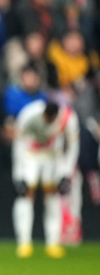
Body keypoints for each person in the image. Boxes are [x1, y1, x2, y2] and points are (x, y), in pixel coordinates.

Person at [12, 100, 79, 259]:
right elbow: (19, 143)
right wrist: (18, 174)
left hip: (52, 157)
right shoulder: (29, 114)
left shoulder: (68, 118)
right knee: (26, 194)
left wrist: (66, 173)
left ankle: (53, 242)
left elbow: (73, 146)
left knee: (53, 196)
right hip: (31, 155)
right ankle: (24, 242)